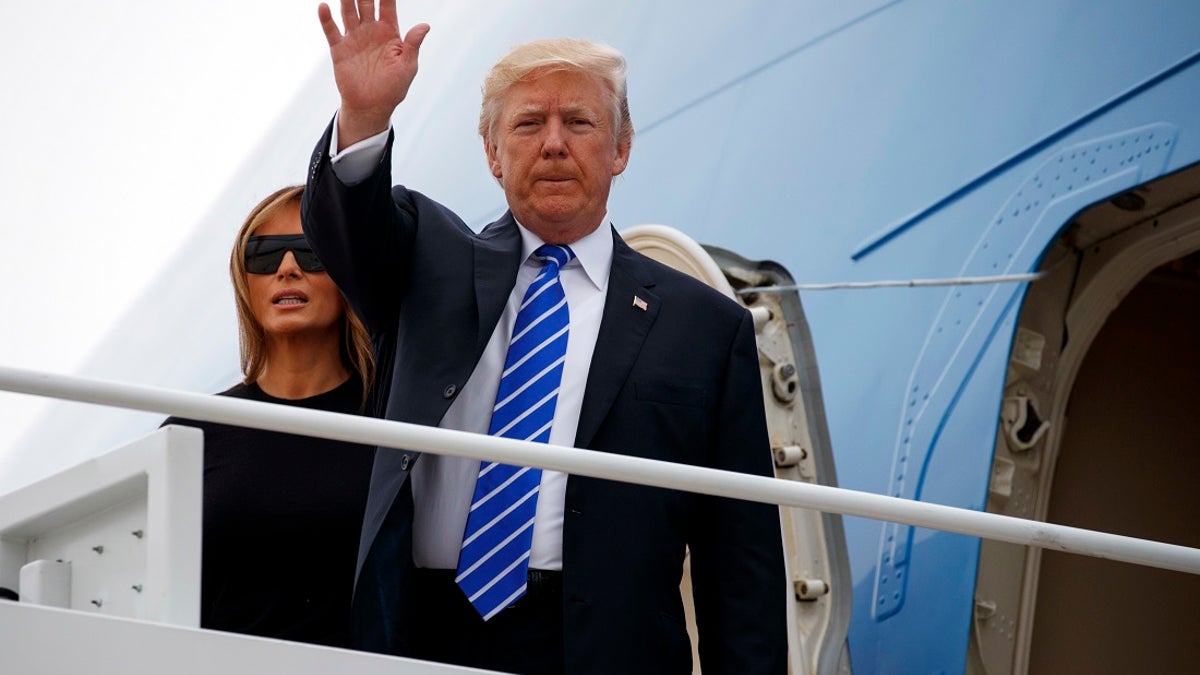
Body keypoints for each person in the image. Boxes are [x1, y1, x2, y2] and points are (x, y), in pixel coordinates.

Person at [302, 1, 788, 672]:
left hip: (610, 644)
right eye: (529, 123)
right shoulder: (425, 262)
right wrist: (363, 119)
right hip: (431, 633)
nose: (554, 143)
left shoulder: (706, 327)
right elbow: (352, 227)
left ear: (619, 148)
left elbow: (742, 567)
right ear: (493, 153)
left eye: (579, 122)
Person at [163, 185, 376, 648]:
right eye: (264, 255)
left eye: (311, 251)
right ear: (246, 283)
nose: (287, 269)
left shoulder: (395, 421)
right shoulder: (192, 431)